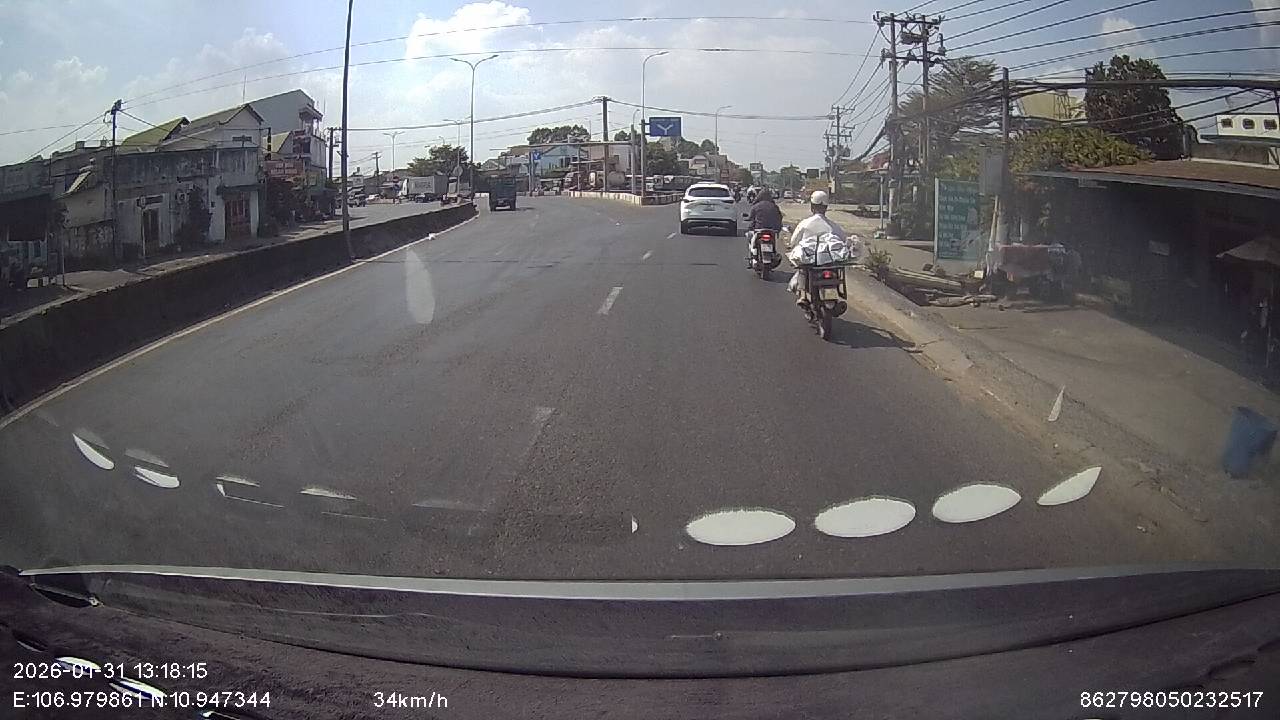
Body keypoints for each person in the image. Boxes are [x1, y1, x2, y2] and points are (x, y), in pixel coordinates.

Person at [786, 190, 849, 302]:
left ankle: (803, 296)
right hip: (830, 263)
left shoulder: (805, 223)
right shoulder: (833, 226)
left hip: (811, 262)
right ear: (826, 207)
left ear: (812, 206)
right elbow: (844, 241)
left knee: (802, 270)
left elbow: (793, 241)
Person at [745, 188, 784, 266]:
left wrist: (748, 220)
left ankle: (753, 256)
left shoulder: (756, 206)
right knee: (773, 242)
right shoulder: (774, 206)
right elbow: (780, 217)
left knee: (749, 236)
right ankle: (773, 253)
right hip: (772, 230)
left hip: (759, 229)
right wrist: (778, 228)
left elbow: (751, 217)